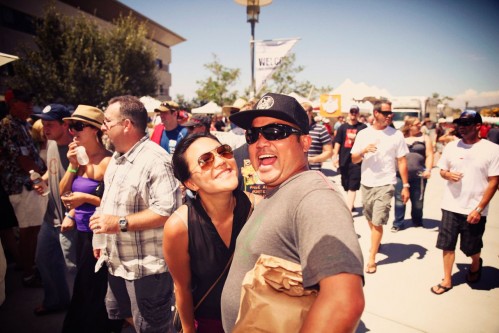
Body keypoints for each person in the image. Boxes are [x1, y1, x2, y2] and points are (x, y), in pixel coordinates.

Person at [221, 93, 365, 333]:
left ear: (305, 143)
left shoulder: (313, 195)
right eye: (253, 135)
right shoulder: (280, 189)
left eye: (275, 132)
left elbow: (344, 301)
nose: (261, 142)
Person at [89, 95, 182, 333]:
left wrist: (118, 223)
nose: (103, 127)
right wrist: (101, 239)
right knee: (128, 318)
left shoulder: (156, 160)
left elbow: (166, 211)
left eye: (108, 121)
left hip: (146, 271)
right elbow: (109, 203)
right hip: (117, 263)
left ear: (127, 124)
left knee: (153, 327)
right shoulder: (117, 158)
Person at [163, 133, 259, 333]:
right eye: (205, 160)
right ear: (191, 183)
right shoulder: (179, 227)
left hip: (258, 320)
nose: (221, 162)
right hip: (209, 326)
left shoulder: (259, 208)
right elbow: (182, 289)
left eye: (223, 151)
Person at [56, 105, 122, 332]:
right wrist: (73, 167)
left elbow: (115, 204)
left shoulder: (109, 161)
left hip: (100, 234)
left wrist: (86, 198)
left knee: (93, 288)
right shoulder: (79, 158)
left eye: (77, 126)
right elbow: (63, 193)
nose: (72, 131)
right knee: (85, 287)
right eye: (70, 125)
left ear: (95, 130)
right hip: (82, 232)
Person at [431, 110, 499, 295]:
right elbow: (442, 170)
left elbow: (494, 181)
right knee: (447, 244)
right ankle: (447, 279)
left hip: (475, 208)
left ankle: (476, 263)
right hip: (450, 205)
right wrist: (447, 174)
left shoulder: (492, 150)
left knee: (470, 247)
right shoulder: (452, 147)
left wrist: (479, 208)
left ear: (478, 126)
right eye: (459, 124)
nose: (461, 127)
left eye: (466, 124)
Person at [351, 100, 409, 274]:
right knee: (370, 218)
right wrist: (363, 151)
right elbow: (354, 159)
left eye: (391, 113)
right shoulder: (363, 134)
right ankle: (377, 240)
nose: (390, 115)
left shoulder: (396, 135)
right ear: (376, 114)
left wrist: (405, 185)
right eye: (386, 113)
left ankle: (371, 258)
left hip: (386, 183)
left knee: (377, 222)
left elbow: (402, 160)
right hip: (367, 183)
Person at [30, 104, 78, 315]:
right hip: (51, 218)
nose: (45, 128)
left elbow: (89, 184)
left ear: (65, 124)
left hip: (70, 220)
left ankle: (86, 311)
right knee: (44, 260)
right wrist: (43, 179)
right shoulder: (50, 143)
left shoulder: (77, 149)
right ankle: (56, 301)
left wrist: (71, 214)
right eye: (43, 123)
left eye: (50, 124)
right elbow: (52, 170)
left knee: (75, 269)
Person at [0, 89, 48, 287]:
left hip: (27, 185)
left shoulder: (20, 124)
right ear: (13, 104)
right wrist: (39, 180)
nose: (30, 104)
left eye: (31, 100)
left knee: (32, 230)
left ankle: (29, 267)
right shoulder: (9, 125)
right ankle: (29, 273)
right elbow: (22, 158)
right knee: (28, 231)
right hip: (22, 186)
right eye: (25, 101)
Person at [392, 117, 434, 231]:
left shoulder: (425, 138)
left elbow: (430, 155)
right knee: (400, 199)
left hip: (419, 175)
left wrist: (428, 169)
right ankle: (398, 223)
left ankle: (417, 220)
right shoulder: (400, 137)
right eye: (417, 124)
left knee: (418, 201)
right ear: (410, 126)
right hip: (400, 174)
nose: (420, 125)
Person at [333, 105, 367, 212]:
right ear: (348, 113)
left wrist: (356, 138)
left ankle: (348, 209)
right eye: (351, 112)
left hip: (357, 161)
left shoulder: (363, 128)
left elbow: (367, 143)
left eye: (355, 112)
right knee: (345, 184)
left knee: (353, 185)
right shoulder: (342, 127)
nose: (353, 114)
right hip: (344, 159)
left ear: (358, 114)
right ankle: (350, 203)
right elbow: (338, 142)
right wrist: (335, 156)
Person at [301, 102, 333, 172]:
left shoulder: (321, 129)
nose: (302, 113)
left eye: (305, 111)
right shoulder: (295, 128)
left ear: (311, 113)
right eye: (299, 111)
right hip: (295, 173)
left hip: (314, 172)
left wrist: (311, 160)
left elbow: (329, 152)